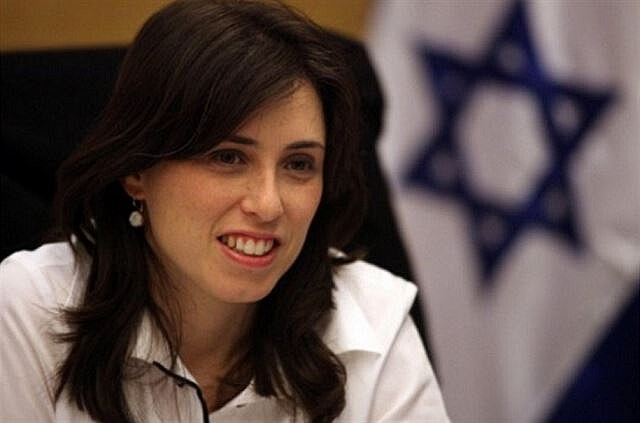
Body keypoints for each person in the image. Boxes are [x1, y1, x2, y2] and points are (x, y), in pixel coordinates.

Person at [0, 0, 450, 421]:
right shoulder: (29, 308)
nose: (268, 205)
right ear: (137, 170)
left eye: (298, 164)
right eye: (229, 158)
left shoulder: (375, 321)